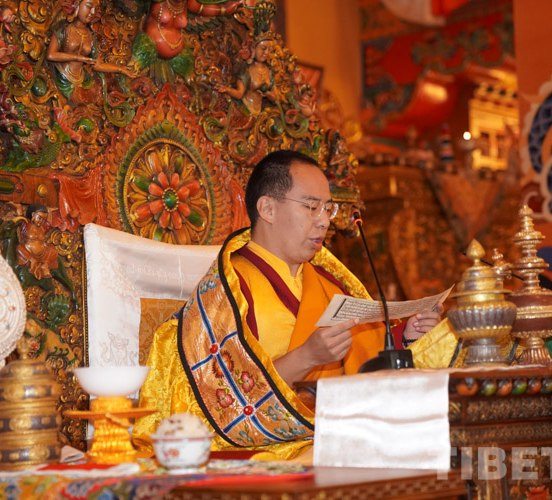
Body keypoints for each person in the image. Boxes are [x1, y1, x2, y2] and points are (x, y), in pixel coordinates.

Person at [134, 150, 455, 459]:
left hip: (340, 432)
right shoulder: (227, 293)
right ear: (268, 209)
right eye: (311, 207)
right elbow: (222, 406)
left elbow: (364, 358)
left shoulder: (329, 282)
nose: (324, 221)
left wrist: (405, 338)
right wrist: (307, 357)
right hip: (267, 449)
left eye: (328, 209)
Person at [47, 0, 135, 101]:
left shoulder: (91, 36)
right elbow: (51, 55)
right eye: (89, 7)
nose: (93, 12)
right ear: (77, 5)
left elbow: (97, 64)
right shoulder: (64, 28)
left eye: (95, 9)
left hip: (82, 80)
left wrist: (120, 69)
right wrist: (78, 58)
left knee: (98, 99)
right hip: (63, 78)